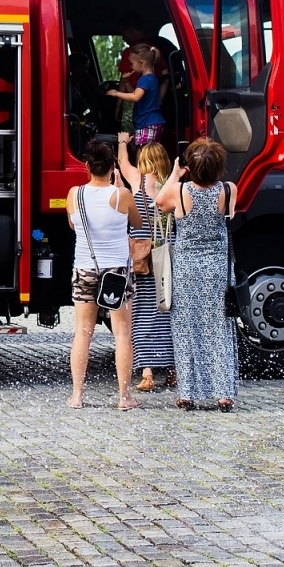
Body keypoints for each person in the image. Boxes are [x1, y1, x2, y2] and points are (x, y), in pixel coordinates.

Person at [156, 138, 239, 411]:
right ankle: (224, 392)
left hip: (186, 270)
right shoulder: (229, 189)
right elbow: (231, 216)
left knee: (186, 329)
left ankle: (188, 392)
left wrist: (175, 174)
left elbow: (159, 201)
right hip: (218, 270)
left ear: (191, 166)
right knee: (219, 328)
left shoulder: (179, 192)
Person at [65, 137, 142, 411]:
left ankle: (76, 395)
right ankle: (124, 397)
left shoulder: (75, 194)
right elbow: (137, 222)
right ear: (113, 167)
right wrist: (121, 188)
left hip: (86, 267)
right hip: (117, 273)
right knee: (122, 333)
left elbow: (74, 226)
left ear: (86, 166)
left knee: (83, 332)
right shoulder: (122, 195)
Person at [118, 134, 176, 391]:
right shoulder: (173, 186)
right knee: (169, 312)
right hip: (167, 256)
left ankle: (147, 373)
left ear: (143, 160)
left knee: (141, 315)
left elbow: (122, 161)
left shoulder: (137, 180)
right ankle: (175, 370)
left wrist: (123, 141)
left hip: (142, 260)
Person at [104, 44, 166, 146]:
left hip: (147, 123)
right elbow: (135, 93)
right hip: (151, 123)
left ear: (141, 63)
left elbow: (135, 97)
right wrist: (127, 83)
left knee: (142, 155)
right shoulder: (152, 78)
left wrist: (117, 93)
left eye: (132, 64)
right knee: (146, 154)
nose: (131, 66)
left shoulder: (144, 79)